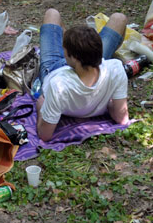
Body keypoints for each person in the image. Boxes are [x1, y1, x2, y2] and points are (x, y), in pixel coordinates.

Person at [34, 8, 130, 142]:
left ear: (73, 57)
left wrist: (40, 108)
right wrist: (108, 103)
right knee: (119, 18)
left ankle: (72, 44)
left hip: (53, 68)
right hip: (92, 65)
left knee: (52, 13)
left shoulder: (58, 85)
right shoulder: (115, 68)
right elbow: (122, 118)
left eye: (65, 50)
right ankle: (75, 44)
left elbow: (45, 135)